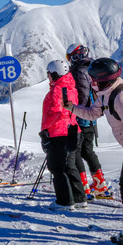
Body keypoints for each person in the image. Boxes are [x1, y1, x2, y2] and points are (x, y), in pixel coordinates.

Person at [74, 57, 123, 244]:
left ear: (102, 78)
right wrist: (72, 108)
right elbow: (93, 113)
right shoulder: (106, 93)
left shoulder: (122, 98)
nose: (91, 81)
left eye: (93, 78)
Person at [40, 59, 83, 209]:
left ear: (55, 74)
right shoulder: (71, 88)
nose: (48, 77)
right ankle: (79, 197)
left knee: (57, 167)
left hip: (59, 133)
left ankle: (64, 201)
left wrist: (44, 131)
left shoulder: (56, 91)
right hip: (73, 130)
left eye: (49, 74)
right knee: (70, 165)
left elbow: (52, 114)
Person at [66, 44, 109, 197]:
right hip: (91, 117)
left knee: (76, 151)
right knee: (88, 151)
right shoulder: (92, 68)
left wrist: (77, 112)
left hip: (81, 117)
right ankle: (99, 183)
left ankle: (82, 186)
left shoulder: (79, 71)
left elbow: (82, 94)